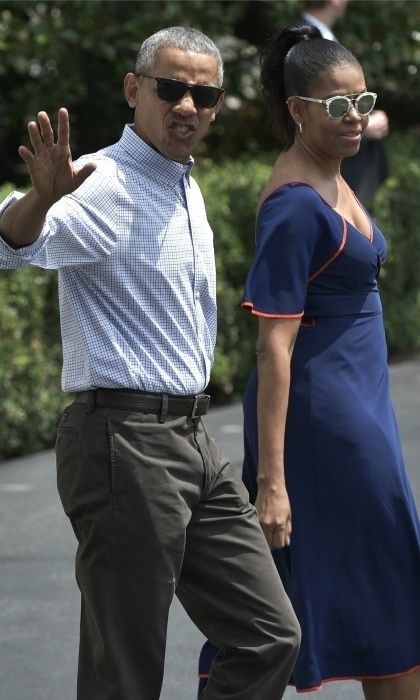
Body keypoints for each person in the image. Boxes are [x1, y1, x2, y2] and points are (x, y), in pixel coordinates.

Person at [0, 26, 301, 700]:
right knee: (125, 674)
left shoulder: (182, 181)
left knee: (269, 633)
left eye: (205, 94)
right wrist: (39, 202)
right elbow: (11, 243)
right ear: (135, 89)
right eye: (171, 89)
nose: (188, 106)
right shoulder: (102, 181)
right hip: (123, 441)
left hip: (190, 438)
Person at [198, 23, 420, 700]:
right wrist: (271, 483)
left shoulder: (332, 178)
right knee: (381, 586)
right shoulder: (294, 207)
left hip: (363, 413)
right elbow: (272, 346)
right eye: (335, 106)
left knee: (384, 591)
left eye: (361, 101)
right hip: (328, 429)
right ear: (297, 110)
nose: (354, 117)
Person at [302, 0, 389, 204]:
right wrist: (362, 128)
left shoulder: (322, 36)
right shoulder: (307, 40)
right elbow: (316, 106)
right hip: (324, 171)